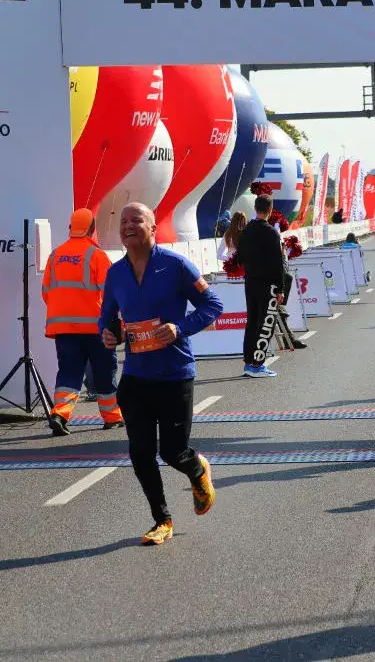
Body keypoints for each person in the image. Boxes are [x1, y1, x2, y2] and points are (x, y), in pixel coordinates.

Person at [100, 203, 223, 546]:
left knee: (173, 452)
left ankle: (197, 468)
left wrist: (179, 328)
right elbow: (107, 318)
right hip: (135, 377)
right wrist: (109, 334)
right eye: (123, 221)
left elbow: (213, 305)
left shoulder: (175, 265)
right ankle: (162, 520)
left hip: (174, 374)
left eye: (136, 220)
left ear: (153, 228)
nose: (127, 225)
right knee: (140, 453)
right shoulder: (115, 273)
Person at [41, 208, 124, 436]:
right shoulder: (96, 255)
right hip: (95, 328)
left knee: (69, 372)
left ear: (71, 228)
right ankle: (112, 417)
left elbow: (46, 292)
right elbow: (111, 294)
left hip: (63, 328)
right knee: (104, 371)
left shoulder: (55, 255)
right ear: (92, 229)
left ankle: (59, 414)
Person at [237, 194, 288, 378]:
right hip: (268, 284)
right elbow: (278, 263)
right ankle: (257, 365)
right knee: (266, 323)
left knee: (252, 322)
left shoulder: (246, 230)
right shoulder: (271, 232)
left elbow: (240, 257)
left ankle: (248, 362)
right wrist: (281, 289)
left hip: (250, 282)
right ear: (270, 210)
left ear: (255, 208)